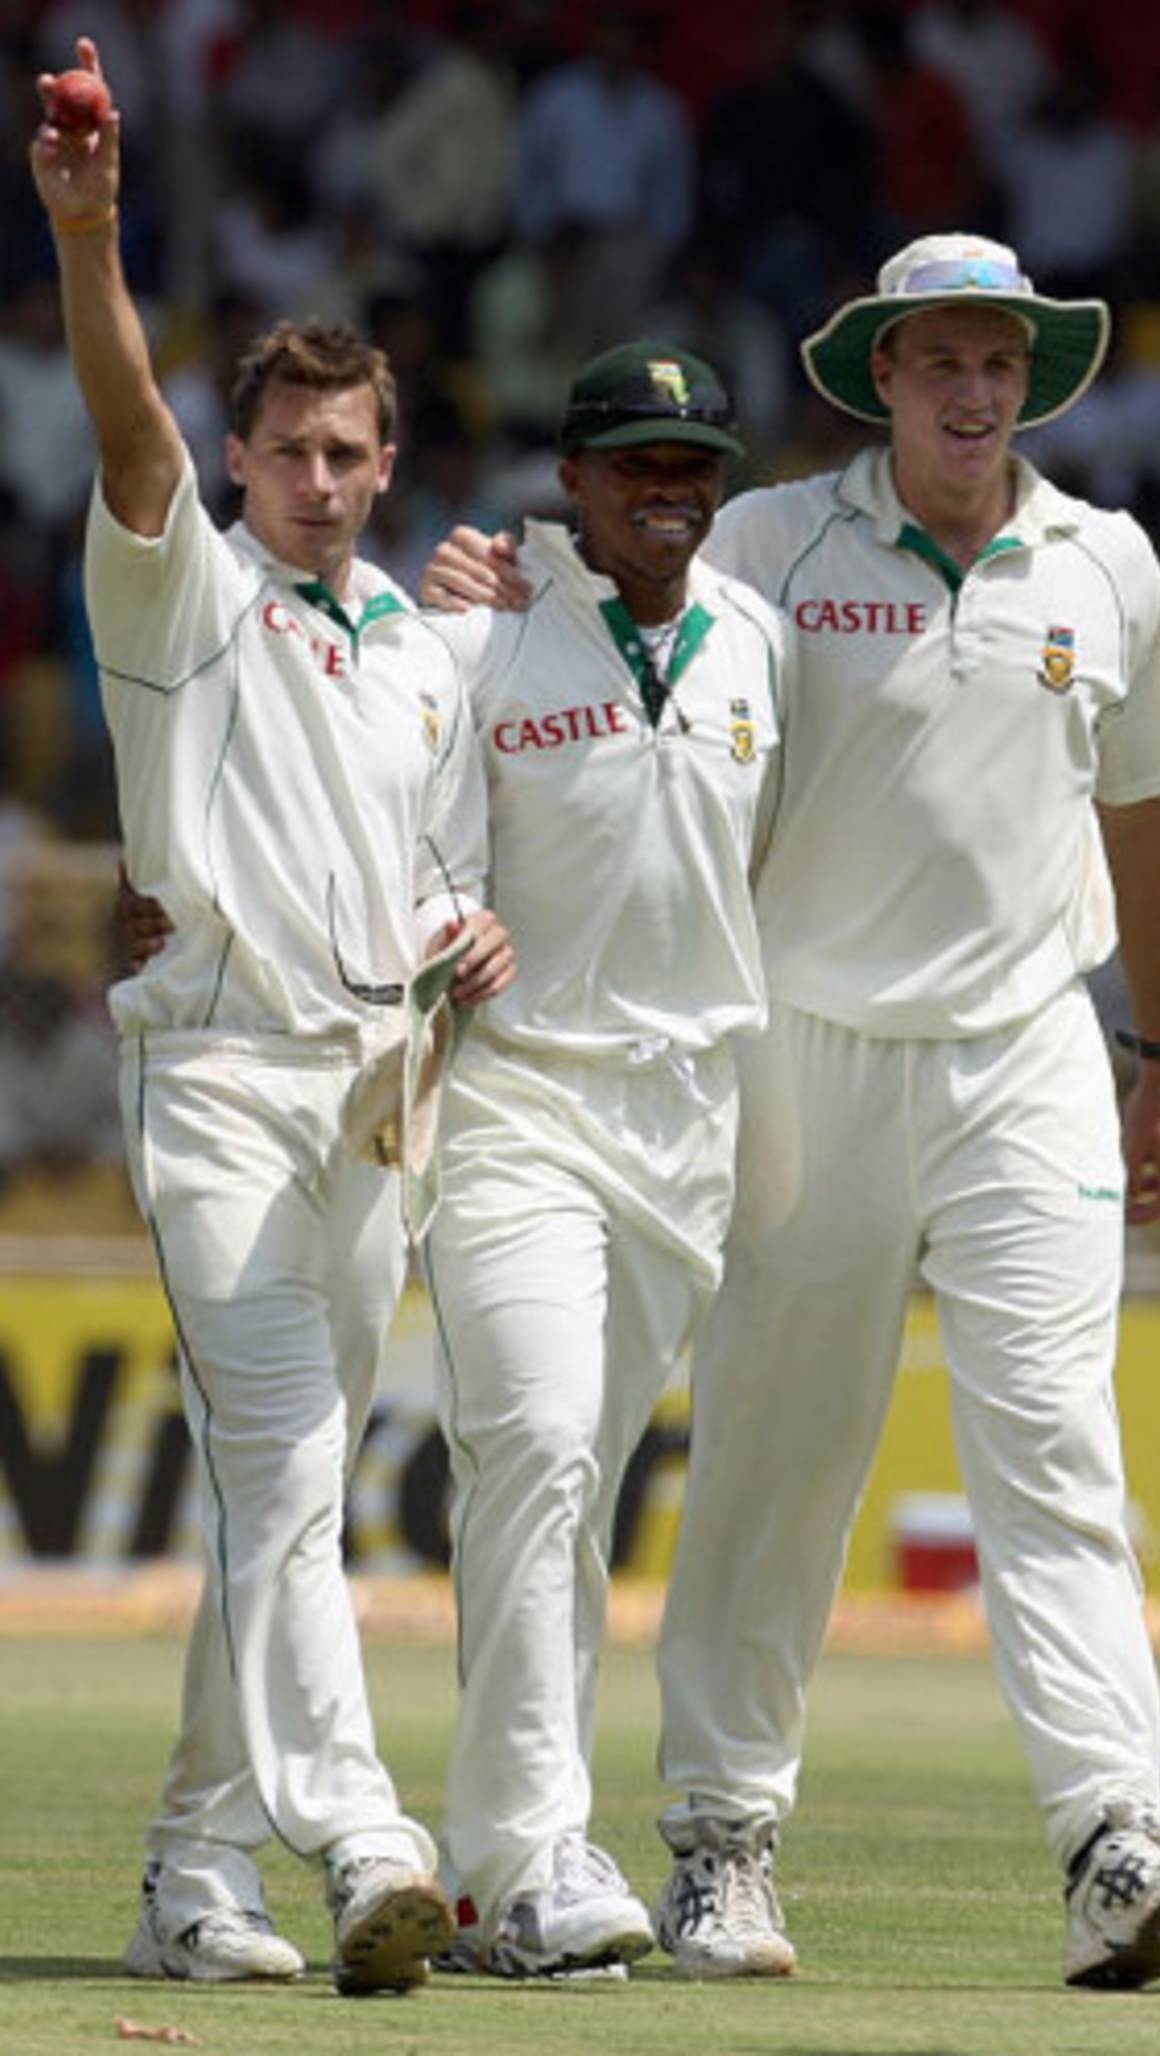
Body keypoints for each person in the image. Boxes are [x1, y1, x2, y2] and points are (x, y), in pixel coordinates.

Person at [422, 233, 1160, 1991]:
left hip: (1027, 1048)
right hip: (801, 1044)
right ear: (880, 372)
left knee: (1059, 1448)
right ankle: (721, 1840)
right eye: (941, 358)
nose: (975, 387)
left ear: (1034, 376)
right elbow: (611, 613)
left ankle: (1113, 1832)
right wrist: (490, 579)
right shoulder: (771, 538)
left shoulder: (1107, 562)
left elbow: (1151, 811)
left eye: (1001, 361)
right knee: (779, 1457)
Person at [31, 38, 512, 1996]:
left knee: (269, 1497)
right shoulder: (183, 595)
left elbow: (440, 860)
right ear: (242, 464)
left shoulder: (422, 648)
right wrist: (92, 236)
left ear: (387, 462)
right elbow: (125, 414)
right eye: (287, 451)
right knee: (291, 1451)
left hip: (381, 1097)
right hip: (216, 1080)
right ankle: (366, 1833)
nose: (317, 480)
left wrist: (464, 944)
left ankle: (187, 1868)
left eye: (349, 453)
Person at [422, 341, 788, 1978]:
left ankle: (506, 1849)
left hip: (684, 1120)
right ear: (569, 483)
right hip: (515, 1100)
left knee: (568, 1491)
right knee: (541, 1444)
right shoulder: (484, 622)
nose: (669, 489)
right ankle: (524, 1857)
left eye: (696, 463)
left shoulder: (761, 645)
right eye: (635, 461)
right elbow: (403, 828)